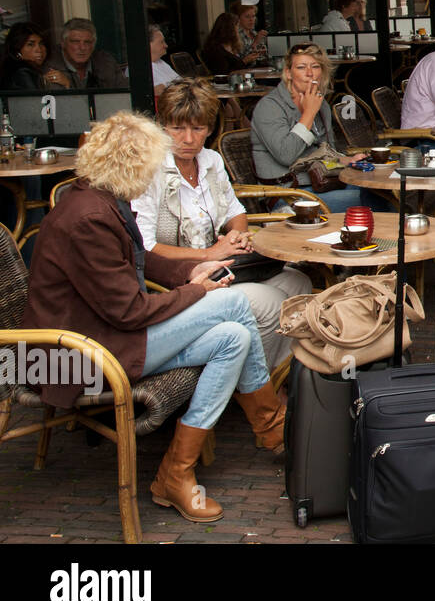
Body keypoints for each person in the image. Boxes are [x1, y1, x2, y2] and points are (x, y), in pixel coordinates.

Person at [20, 112, 284, 523]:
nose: (157, 174)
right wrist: (195, 290)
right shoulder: (89, 216)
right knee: (232, 306)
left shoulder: (100, 199)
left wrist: (188, 273)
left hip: (103, 335)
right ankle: (272, 427)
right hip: (76, 357)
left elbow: (141, 263)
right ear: (132, 166)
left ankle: (175, 473)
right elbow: (129, 311)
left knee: (234, 336)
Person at [133, 79, 309, 369]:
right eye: (178, 128)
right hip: (177, 283)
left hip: (223, 268)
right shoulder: (150, 171)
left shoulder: (211, 160)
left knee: (299, 282)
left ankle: (275, 373)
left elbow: (236, 212)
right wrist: (208, 254)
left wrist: (237, 236)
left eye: (198, 128)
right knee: (274, 302)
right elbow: (144, 248)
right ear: (162, 126)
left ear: (210, 128)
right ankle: (253, 387)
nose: (188, 139)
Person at [249, 43, 378, 212]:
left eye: (315, 66)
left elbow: (323, 155)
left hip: (322, 184)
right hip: (287, 195)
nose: (310, 73)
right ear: (288, 73)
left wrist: (343, 160)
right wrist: (308, 114)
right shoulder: (269, 107)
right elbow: (286, 155)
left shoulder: (321, 104)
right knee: (369, 201)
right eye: (301, 67)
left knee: (379, 191)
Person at [44, 18, 127, 89]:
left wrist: (69, 86)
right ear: (63, 43)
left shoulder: (106, 63)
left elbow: (124, 95)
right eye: (75, 42)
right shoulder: (51, 65)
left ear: (93, 45)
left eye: (87, 42)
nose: (82, 48)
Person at [0, 22, 71, 89]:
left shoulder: (30, 71)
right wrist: (67, 85)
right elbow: (38, 101)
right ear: (17, 49)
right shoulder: (22, 73)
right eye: (30, 44)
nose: (39, 50)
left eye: (41, 43)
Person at [149, 25, 180, 92]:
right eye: (162, 42)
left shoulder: (160, 62)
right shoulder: (140, 69)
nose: (166, 45)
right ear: (149, 45)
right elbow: (160, 90)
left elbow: (180, 81)